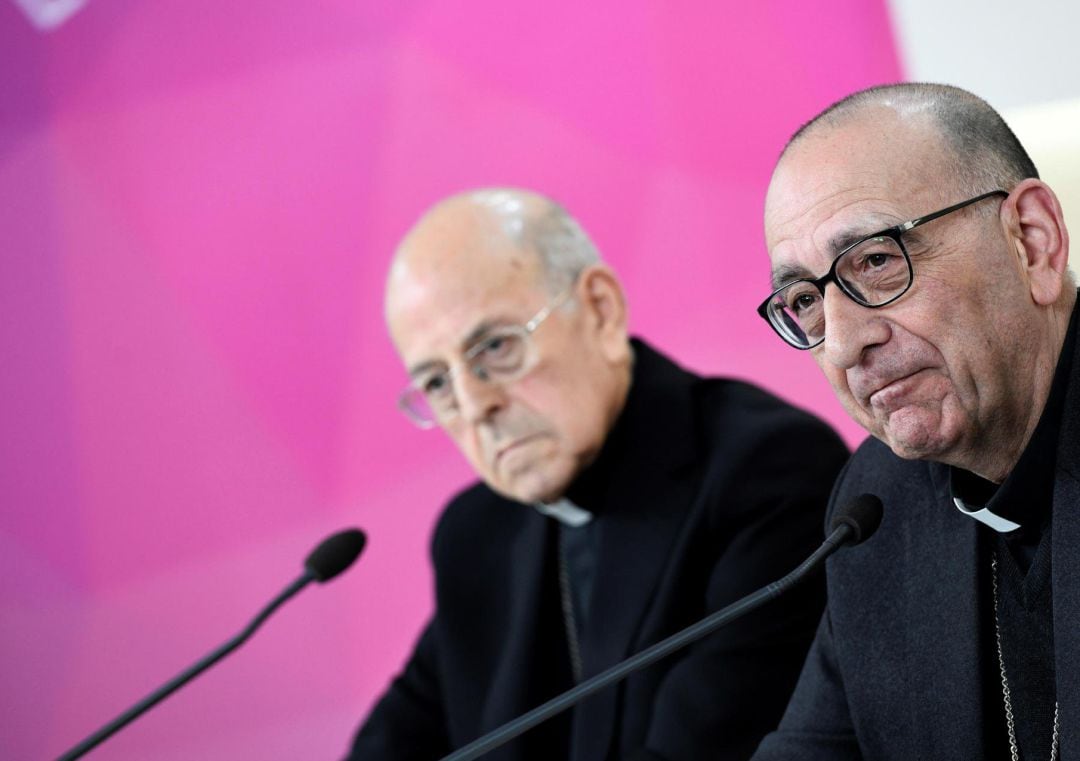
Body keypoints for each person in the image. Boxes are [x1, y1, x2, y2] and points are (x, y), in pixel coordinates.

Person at [346, 188, 849, 761]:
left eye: (494, 348)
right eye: (438, 383)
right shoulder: (477, 534)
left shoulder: (765, 473)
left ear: (600, 309)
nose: (474, 403)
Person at [752, 83, 1077, 761]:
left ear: (1033, 241)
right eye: (806, 300)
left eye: (874, 260)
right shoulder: (880, 503)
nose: (842, 344)